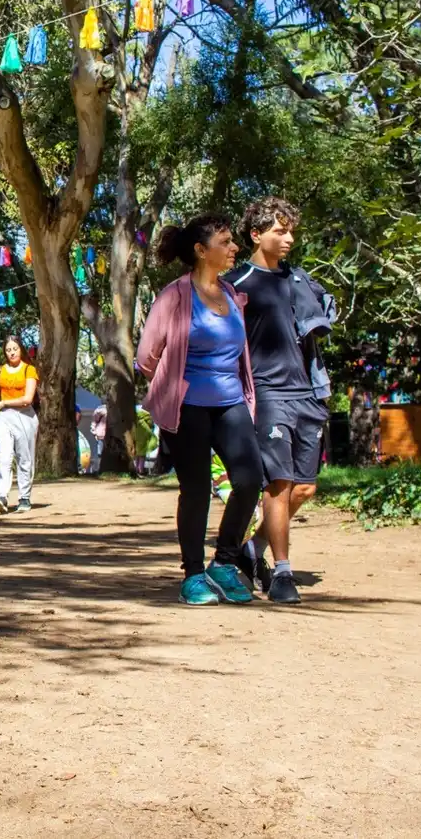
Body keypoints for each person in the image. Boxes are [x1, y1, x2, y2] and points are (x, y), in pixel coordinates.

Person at [136, 213, 263, 606]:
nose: (234, 248)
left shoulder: (232, 295)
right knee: (196, 491)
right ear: (200, 250)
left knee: (249, 480)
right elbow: (146, 358)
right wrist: (175, 380)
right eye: (225, 241)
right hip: (186, 405)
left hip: (230, 402)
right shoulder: (173, 296)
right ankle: (193, 573)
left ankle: (224, 562)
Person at [226, 197, 334, 604]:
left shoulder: (301, 281)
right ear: (256, 234)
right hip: (266, 395)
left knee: (304, 489)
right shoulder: (236, 285)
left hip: (307, 392)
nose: (288, 238)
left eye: (290, 230)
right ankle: (283, 572)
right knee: (279, 483)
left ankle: (251, 550)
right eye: (279, 230)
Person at [0, 336, 39, 513]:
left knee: (25, 458)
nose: (12, 352)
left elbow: (28, 399)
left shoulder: (29, 370)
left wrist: (6, 403)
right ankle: (2, 495)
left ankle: (24, 498)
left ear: (21, 349)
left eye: (15, 348)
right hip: (3, 417)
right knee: (4, 456)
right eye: (8, 350)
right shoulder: (0, 371)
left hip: (25, 417)